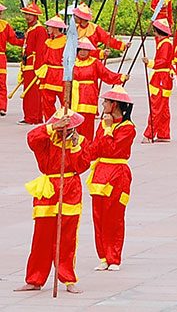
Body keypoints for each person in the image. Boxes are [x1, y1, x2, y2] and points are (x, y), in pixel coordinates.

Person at [17, 109, 91, 293]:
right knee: (41, 236)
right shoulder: (46, 140)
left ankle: (68, 278)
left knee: (67, 237)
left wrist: (75, 147)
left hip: (70, 187)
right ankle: (35, 279)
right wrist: (51, 127)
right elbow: (31, 138)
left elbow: (82, 166)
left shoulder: (80, 142)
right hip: (49, 187)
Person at [87, 85, 135, 271]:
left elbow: (113, 150)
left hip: (117, 174)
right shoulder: (103, 123)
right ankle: (103, 256)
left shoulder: (128, 127)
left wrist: (107, 129)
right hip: (100, 172)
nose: (103, 104)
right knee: (98, 216)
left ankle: (114, 256)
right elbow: (96, 149)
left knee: (114, 217)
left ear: (114, 104)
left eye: (106, 102)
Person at [69, 38, 129, 141]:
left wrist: (120, 77)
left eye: (86, 50)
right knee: (74, 124)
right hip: (73, 98)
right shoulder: (71, 62)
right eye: (81, 49)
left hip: (88, 98)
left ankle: (87, 148)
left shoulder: (95, 63)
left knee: (87, 125)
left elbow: (106, 74)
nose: (83, 52)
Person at [141, 20, 174, 143]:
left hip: (161, 78)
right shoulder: (164, 43)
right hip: (163, 78)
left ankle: (150, 134)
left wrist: (149, 63)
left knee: (156, 107)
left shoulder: (165, 44)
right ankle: (163, 133)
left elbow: (163, 61)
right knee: (163, 108)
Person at [19, 3, 47, 124]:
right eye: (26, 14)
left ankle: (34, 117)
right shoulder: (30, 29)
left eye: (30, 14)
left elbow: (40, 50)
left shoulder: (40, 29)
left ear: (36, 16)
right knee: (28, 93)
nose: (27, 17)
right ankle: (28, 116)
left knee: (34, 93)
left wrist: (39, 68)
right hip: (27, 64)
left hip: (34, 65)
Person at [37, 16, 68, 119]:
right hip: (48, 74)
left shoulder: (65, 41)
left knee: (65, 101)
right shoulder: (48, 41)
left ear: (55, 28)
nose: (48, 29)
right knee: (46, 101)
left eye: (49, 27)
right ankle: (51, 123)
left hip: (61, 73)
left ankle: (65, 123)